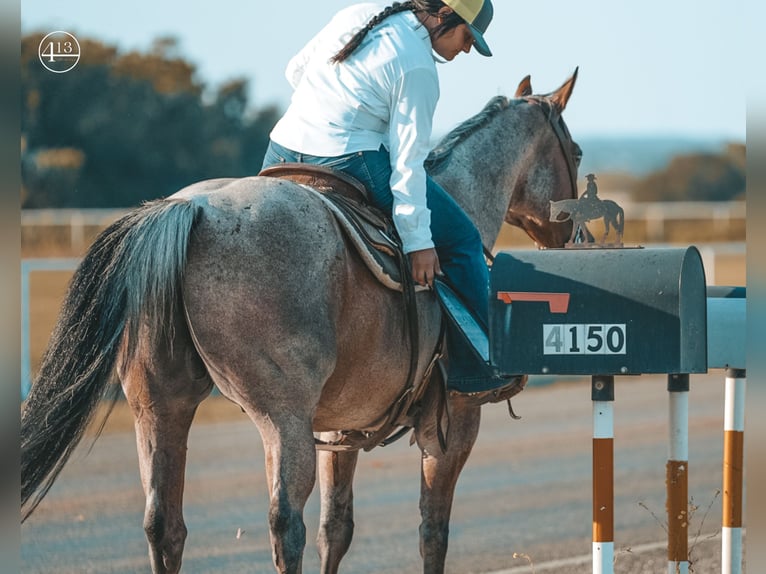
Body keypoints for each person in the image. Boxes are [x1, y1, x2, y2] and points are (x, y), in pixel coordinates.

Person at [261, 0, 506, 393]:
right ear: (445, 14)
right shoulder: (420, 68)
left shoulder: (358, 13)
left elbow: (295, 69)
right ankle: (482, 368)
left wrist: (330, 106)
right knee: (463, 241)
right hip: (347, 157)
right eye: (467, 37)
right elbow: (408, 166)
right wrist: (418, 243)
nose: (466, 49)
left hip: (281, 148)